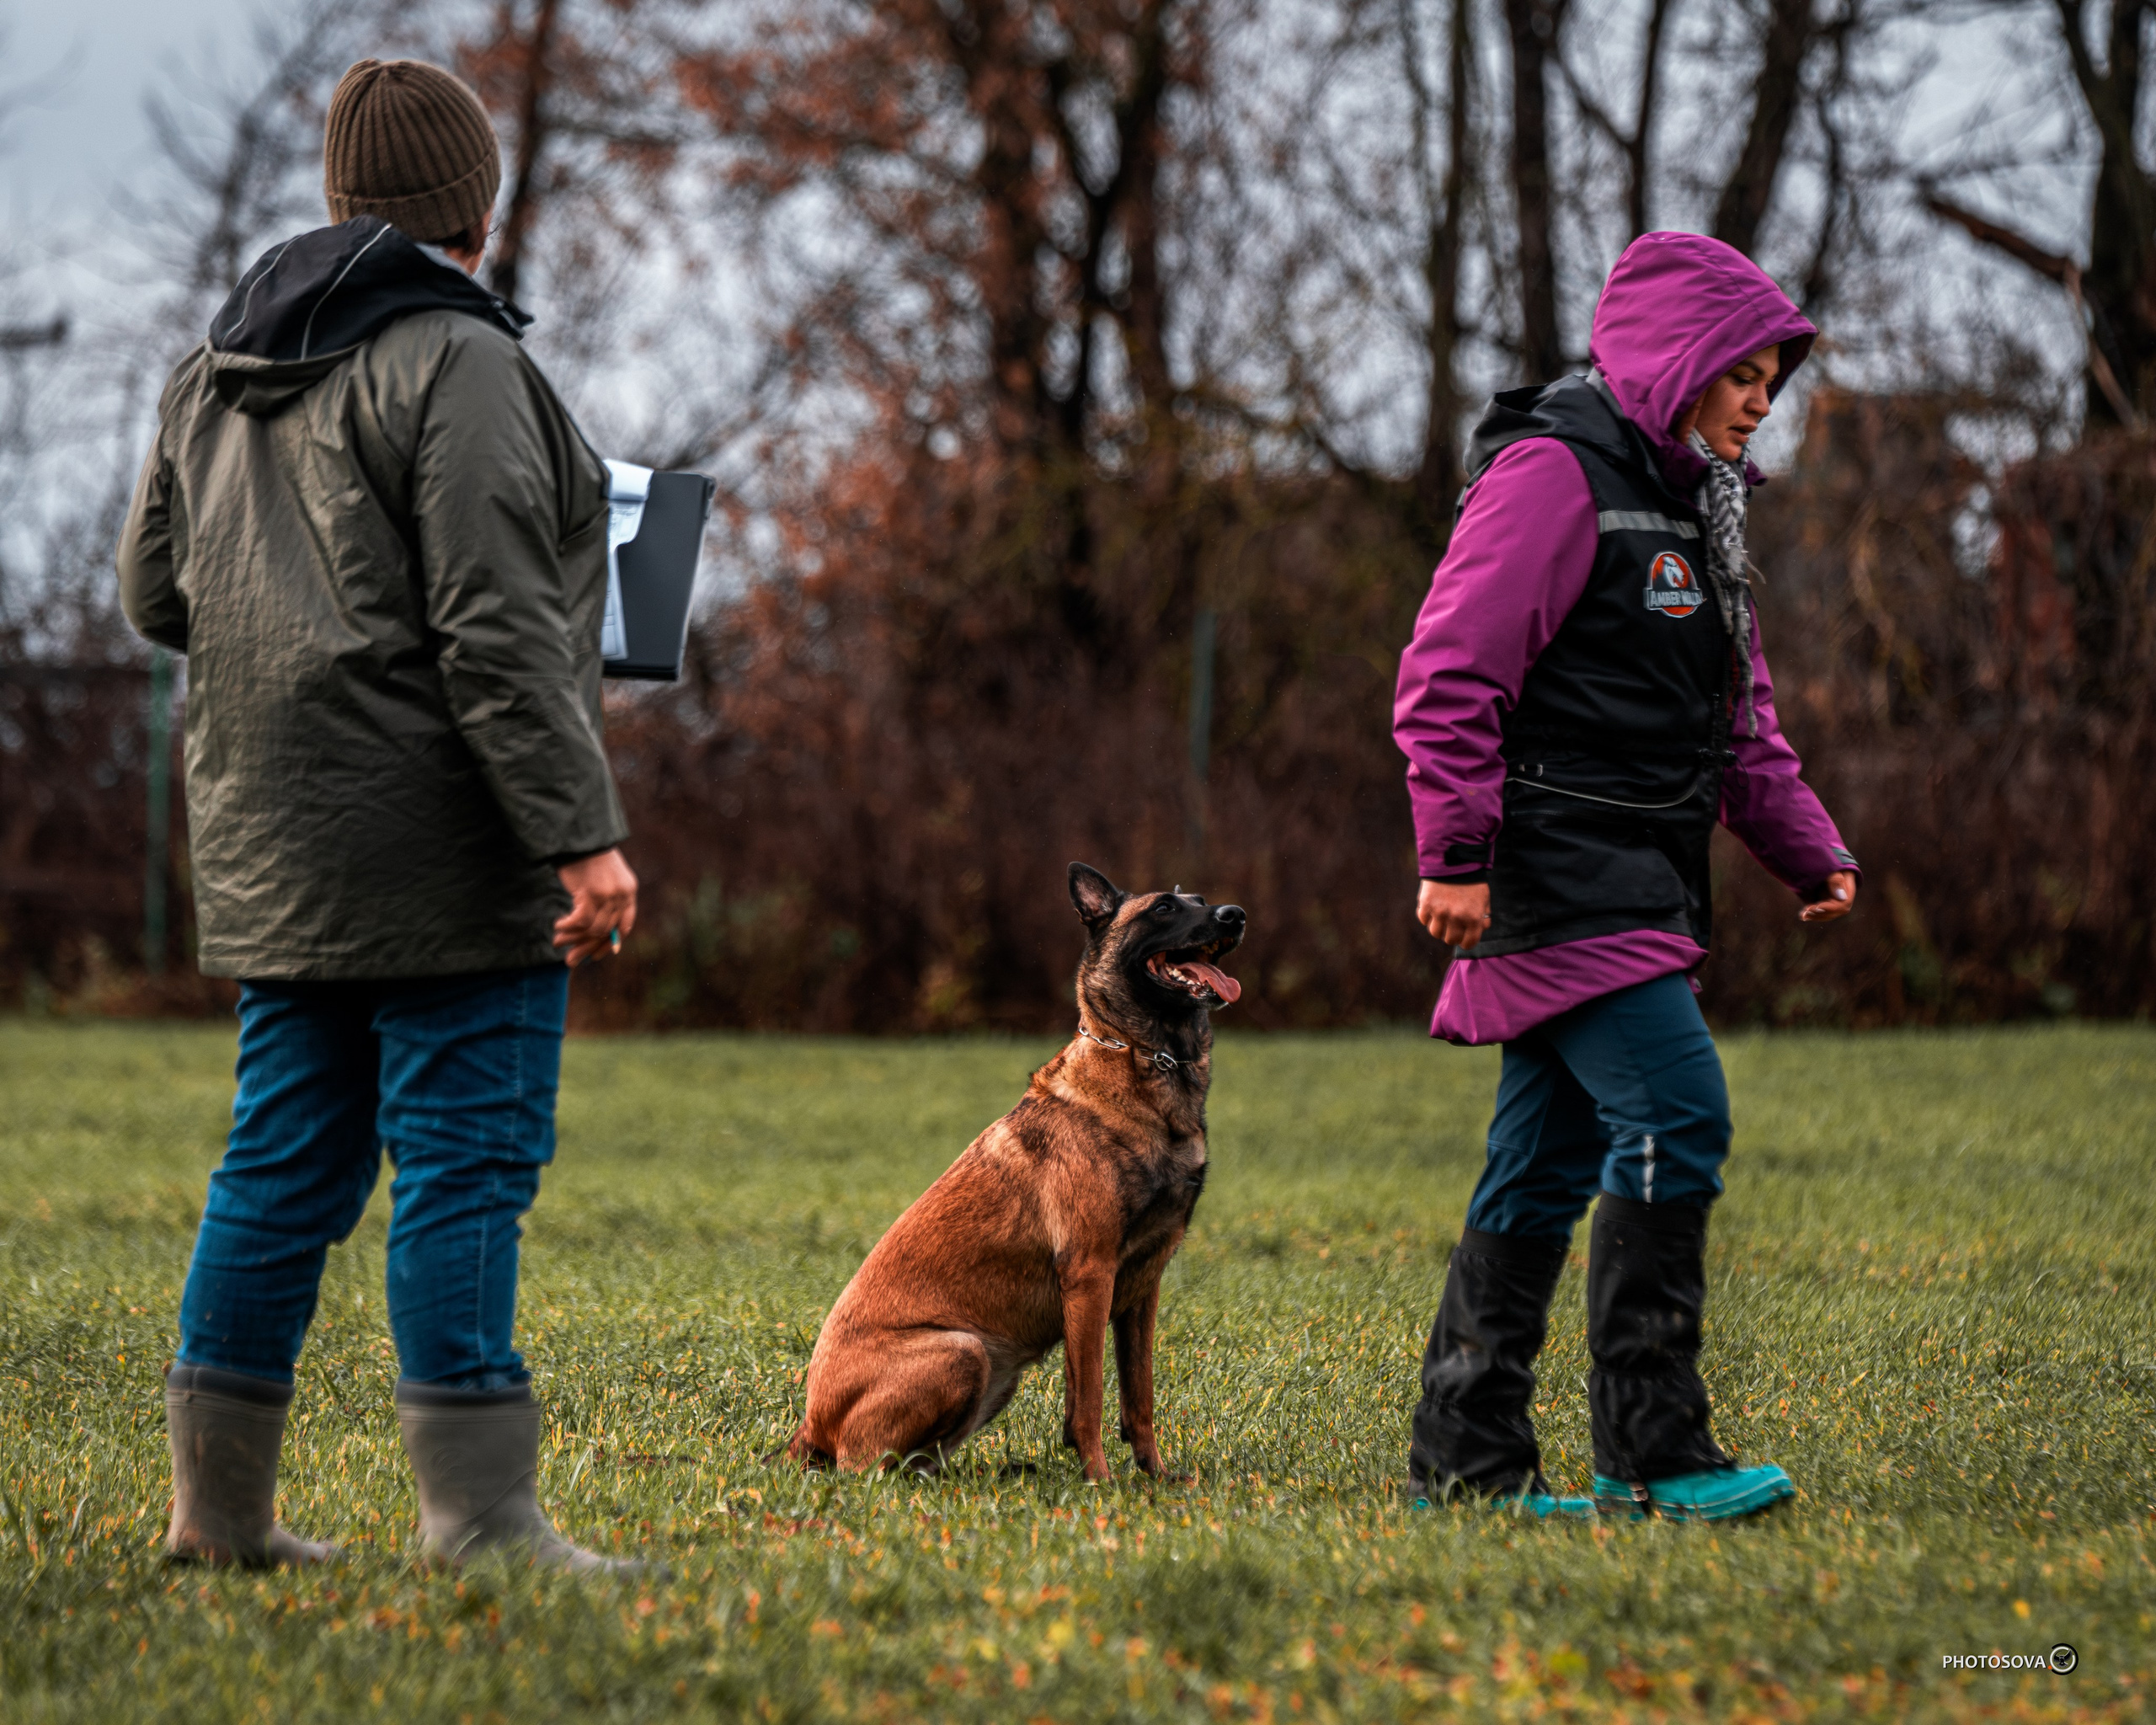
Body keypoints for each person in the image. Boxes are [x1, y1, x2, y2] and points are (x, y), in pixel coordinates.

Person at [117, 59, 643, 1572]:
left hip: (275, 842)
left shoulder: (211, 366)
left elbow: (158, 594)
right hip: (445, 845)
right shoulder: (460, 362)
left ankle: (215, 1522)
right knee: (466, 1158)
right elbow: (494, 628)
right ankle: (478, 1521)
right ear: (473, 203)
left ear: (349, 198)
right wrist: (581, 833)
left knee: (280, 1164)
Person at [1393, 232, 1859, 1522]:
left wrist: (1805, 843)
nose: (1761, 401)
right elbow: (1449, 676)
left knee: (1542, 1163)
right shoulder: (1553, 474)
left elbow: (1738, 721)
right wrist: (1458, 856)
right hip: (1552, 872)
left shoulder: (1708, 507)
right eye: (1742, 374)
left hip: (1641, 875)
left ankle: (1466, 1467)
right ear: (1676, 363)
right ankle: (1654, 1454)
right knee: (1678, 1110)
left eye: (1774, 380)